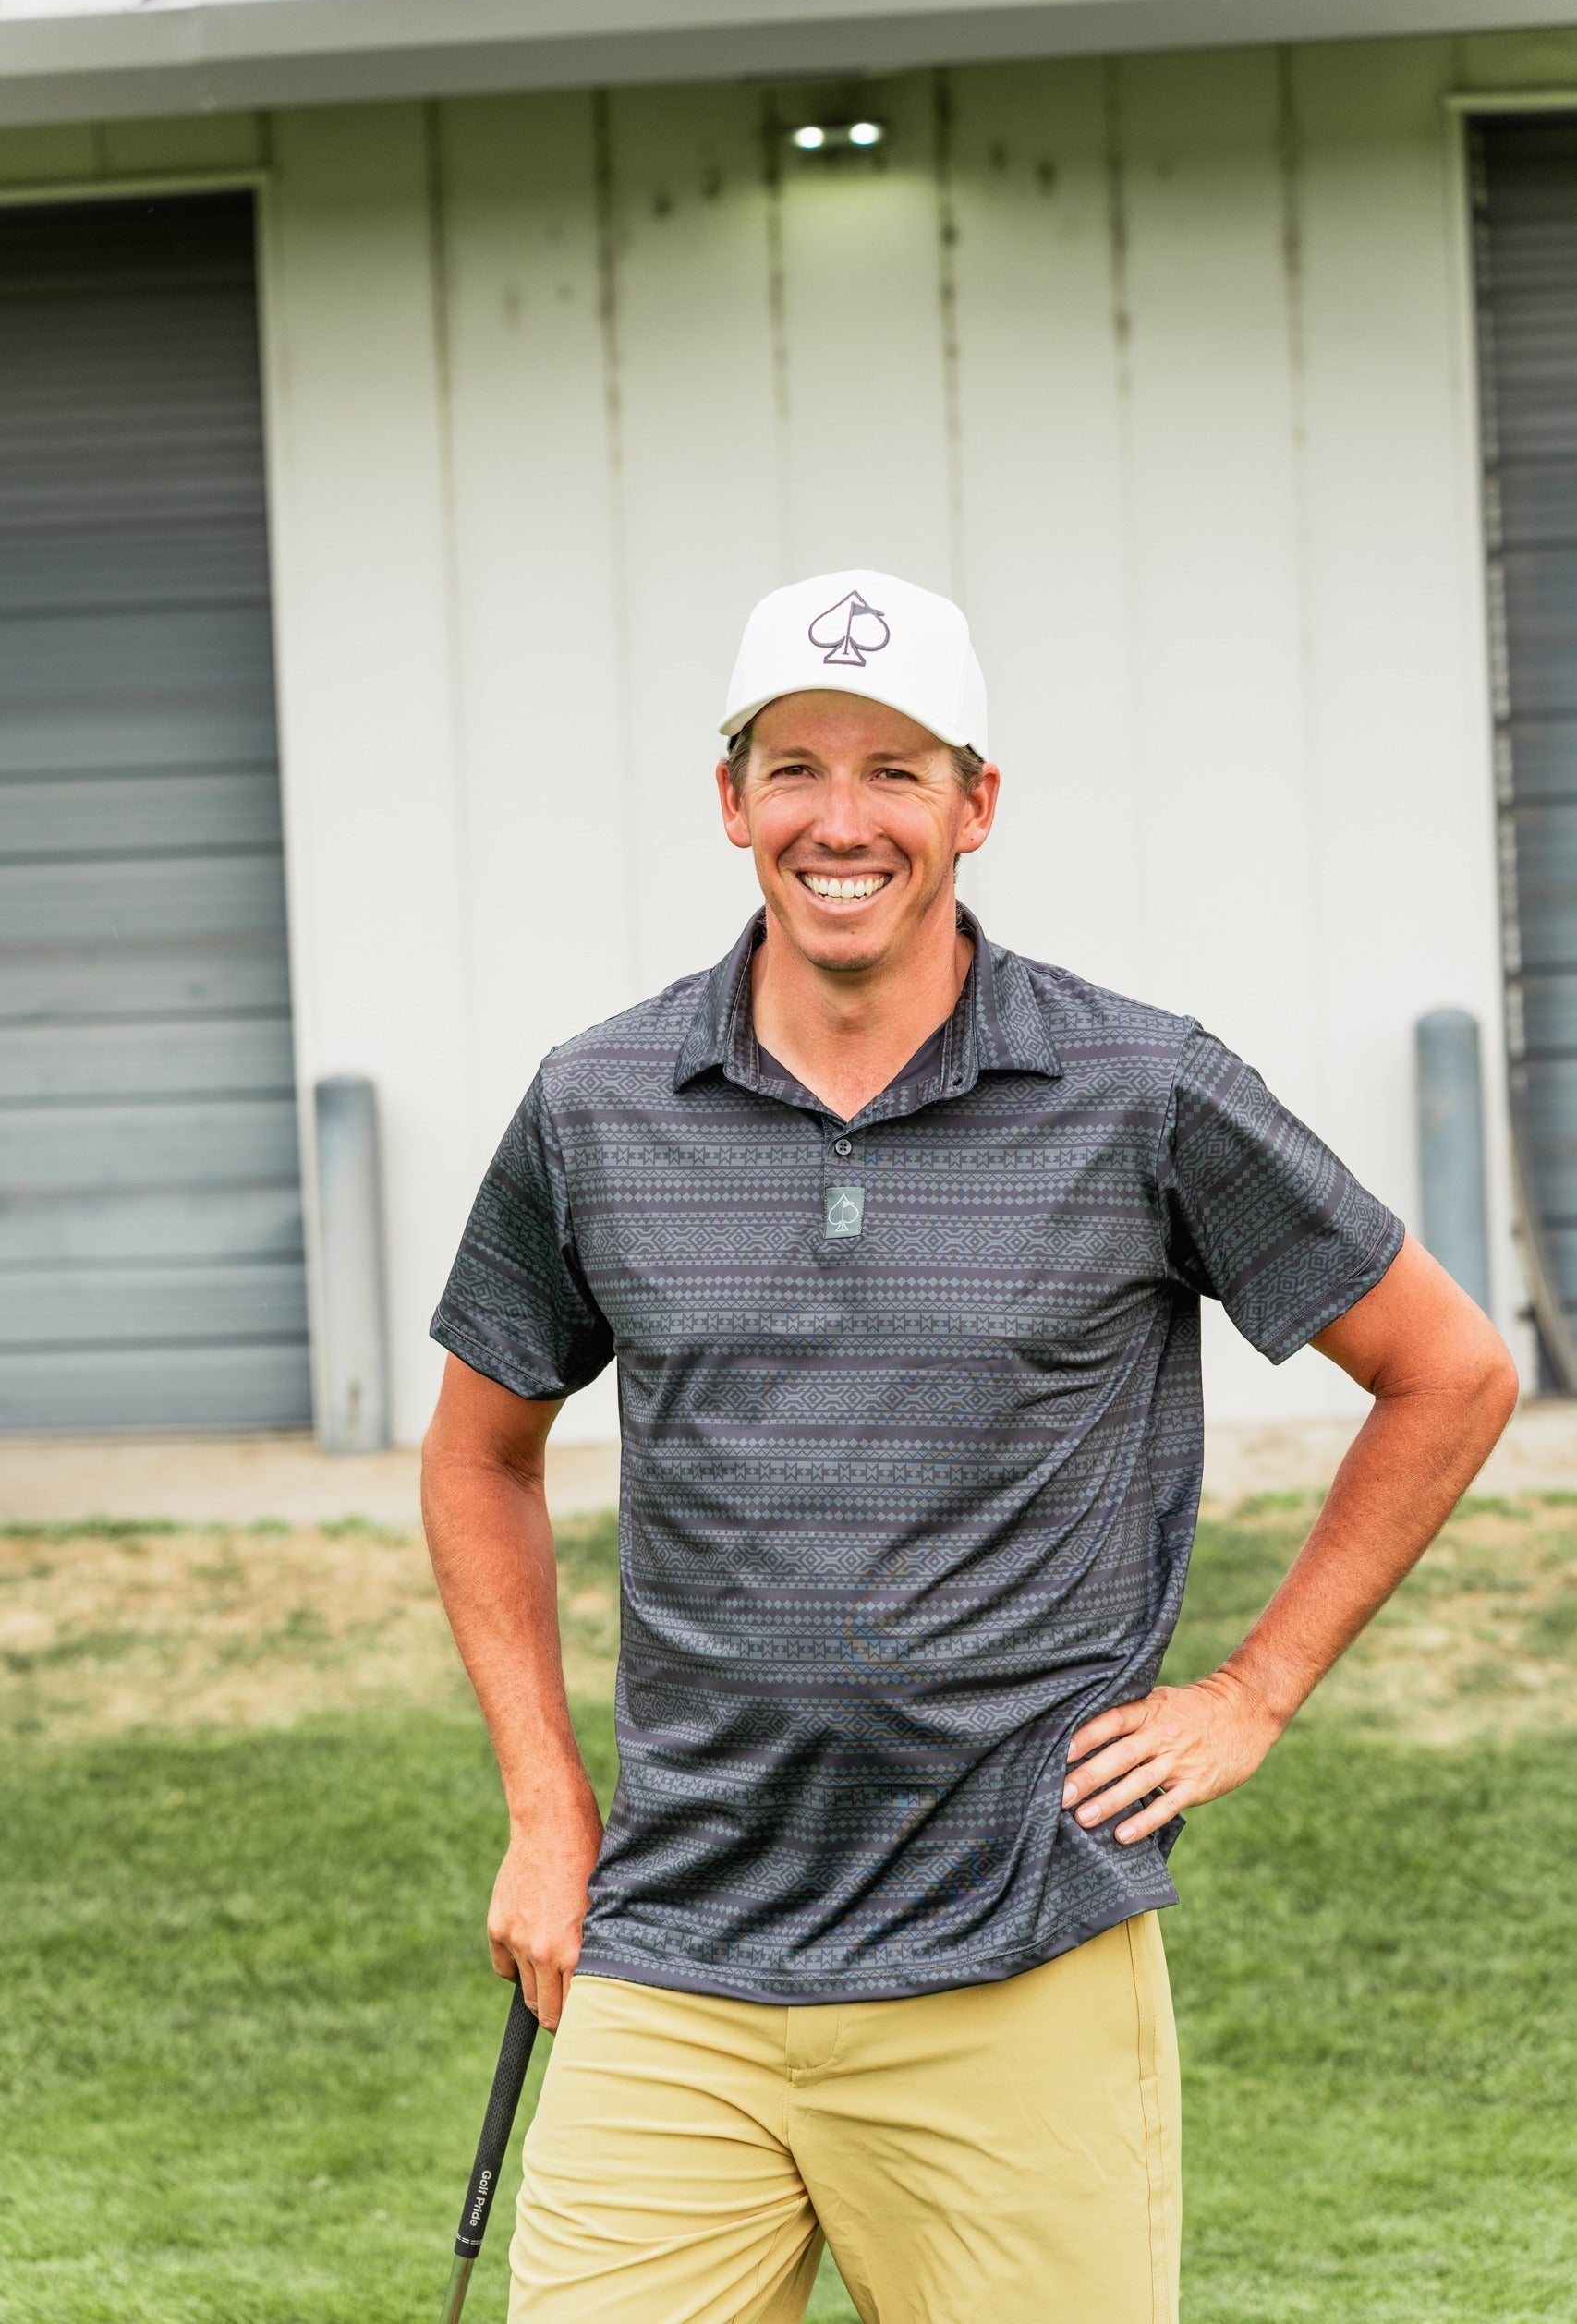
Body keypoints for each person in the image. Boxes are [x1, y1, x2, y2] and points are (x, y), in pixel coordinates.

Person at [421, 569, 1517, 2324]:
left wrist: (1253, 1695)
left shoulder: (1143, 1091)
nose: (839, 822)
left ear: (975, 805)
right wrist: (547, 1812)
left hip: (1015, 1964)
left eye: (897, 772)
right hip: (674, 1967)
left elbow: (1448, 1370)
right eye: (794, 769)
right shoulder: (594, 1105)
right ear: (732, 803)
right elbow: (480, 1451)